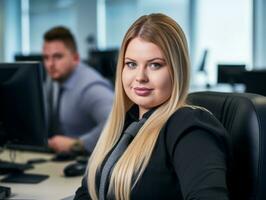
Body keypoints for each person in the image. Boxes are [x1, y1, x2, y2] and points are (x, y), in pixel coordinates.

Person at [74, 13, 230, 200]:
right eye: (131, 64)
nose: (140, 77)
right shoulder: (125, 124)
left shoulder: (190, 126)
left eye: (155, 65)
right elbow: (87, 192)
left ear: (177, 70)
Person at [42, 26, 114, 153]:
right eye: (46, 58)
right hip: (62, 159)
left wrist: (78, 144)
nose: (50, 64)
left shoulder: (91, 87)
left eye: (57, 57)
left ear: (75, 58)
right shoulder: (54, 81)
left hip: (87, 162)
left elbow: (116, 124)